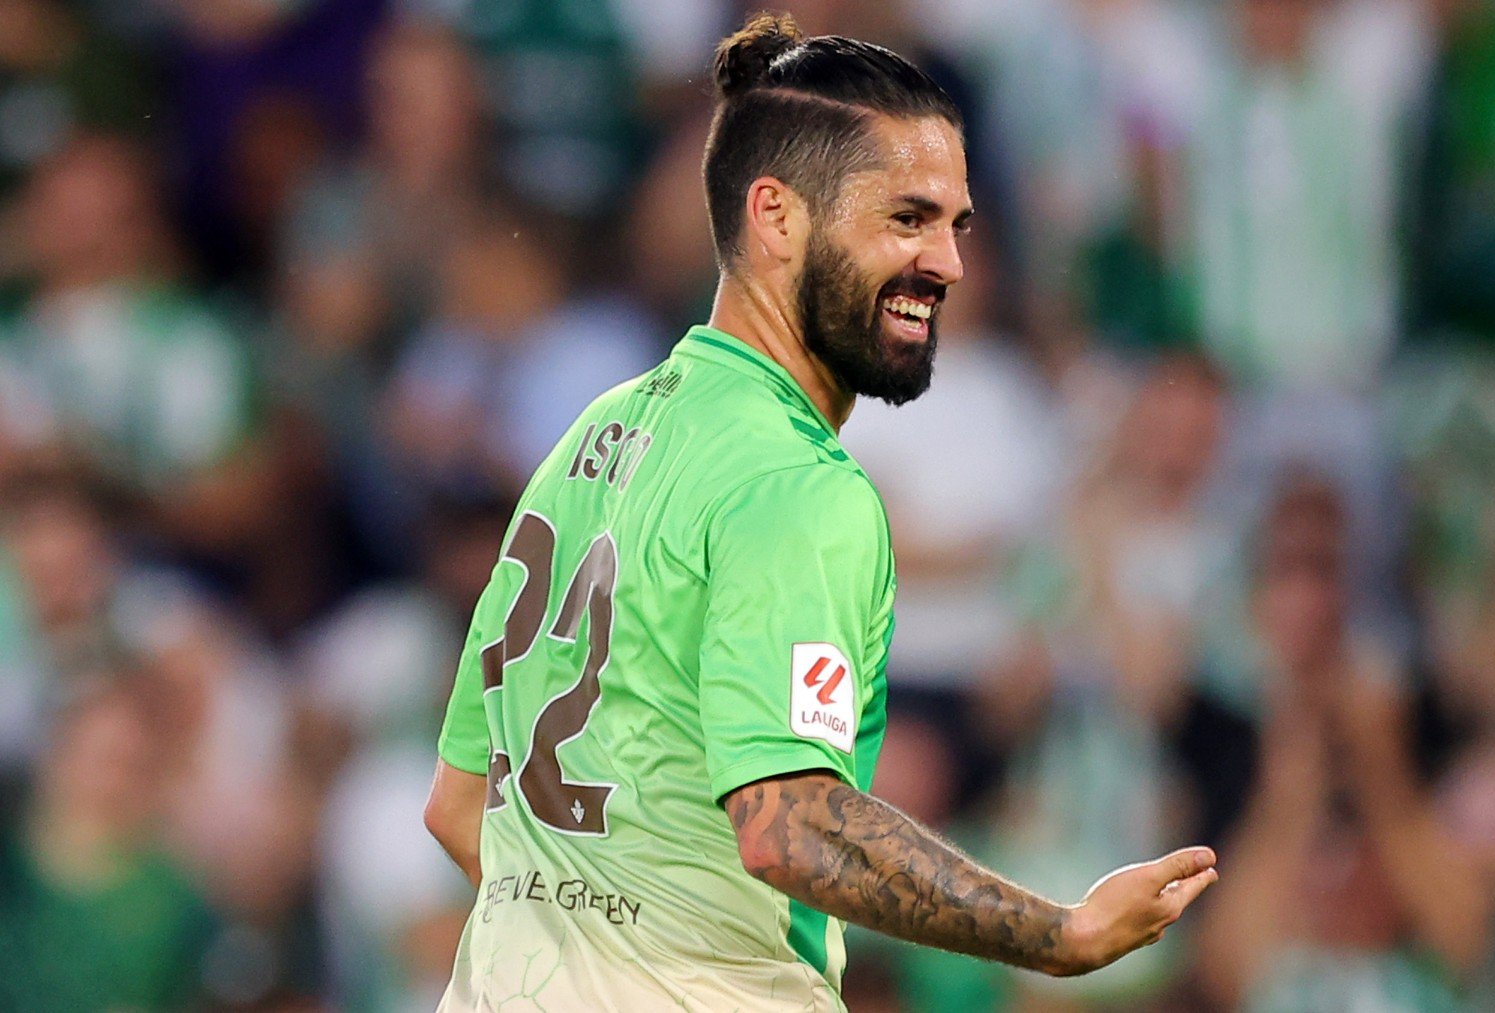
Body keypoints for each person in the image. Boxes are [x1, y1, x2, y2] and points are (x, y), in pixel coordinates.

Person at [421, 13, 1219, 1011]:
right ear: (778, 218)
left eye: (954, 225)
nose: (947, 266)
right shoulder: (797, 482)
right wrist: (1057, 933)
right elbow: (786, 826)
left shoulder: (597, 433)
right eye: (905, 219)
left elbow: (461, 806)